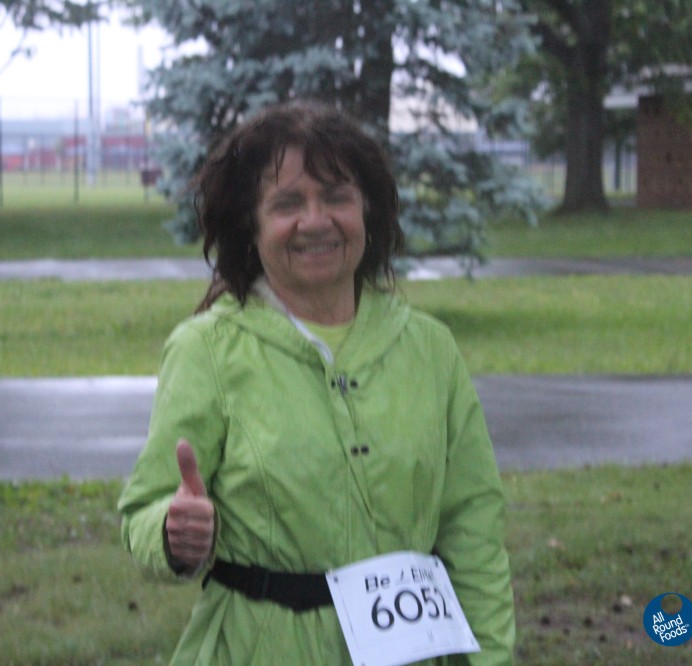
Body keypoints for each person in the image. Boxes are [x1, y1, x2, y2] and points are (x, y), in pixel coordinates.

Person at [117, 100, 515, 665]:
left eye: (336, 197)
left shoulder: (430, 350)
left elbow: (473, 533)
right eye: (287, 204)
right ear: (251, 224)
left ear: (367, 210)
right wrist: (172, 533)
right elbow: (145, 510)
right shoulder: (206, 350)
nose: (315, 221)